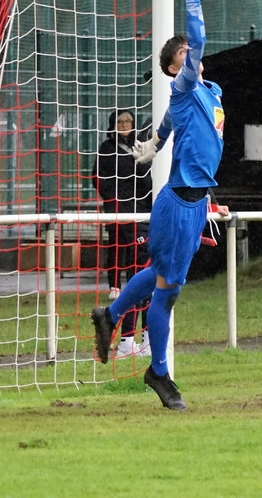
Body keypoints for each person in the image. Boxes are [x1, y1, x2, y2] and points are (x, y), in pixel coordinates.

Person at [90, 0, 230, 411]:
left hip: (195, 202)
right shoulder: (184, 84)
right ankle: (159, 373)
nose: (192, 54)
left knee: (164, 280)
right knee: (167, 292)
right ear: (175, 67)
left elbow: (171, 125)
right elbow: (199, 35)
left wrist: (155, 143)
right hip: (177, 202)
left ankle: (110, 315)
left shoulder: (206, 92)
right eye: (184, 54)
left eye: (190, 52)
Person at [94, 109, 153, 358]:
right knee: (133, 270)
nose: (124, 125)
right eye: (120, 121)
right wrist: (115, 198)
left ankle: (145, 339)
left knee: (148, 278)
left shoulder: (142, 147)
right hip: (120, 212)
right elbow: (98, 179)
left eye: (128, 121)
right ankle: (127, 337)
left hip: (142, 214)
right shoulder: (106, 149)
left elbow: (147, 180)